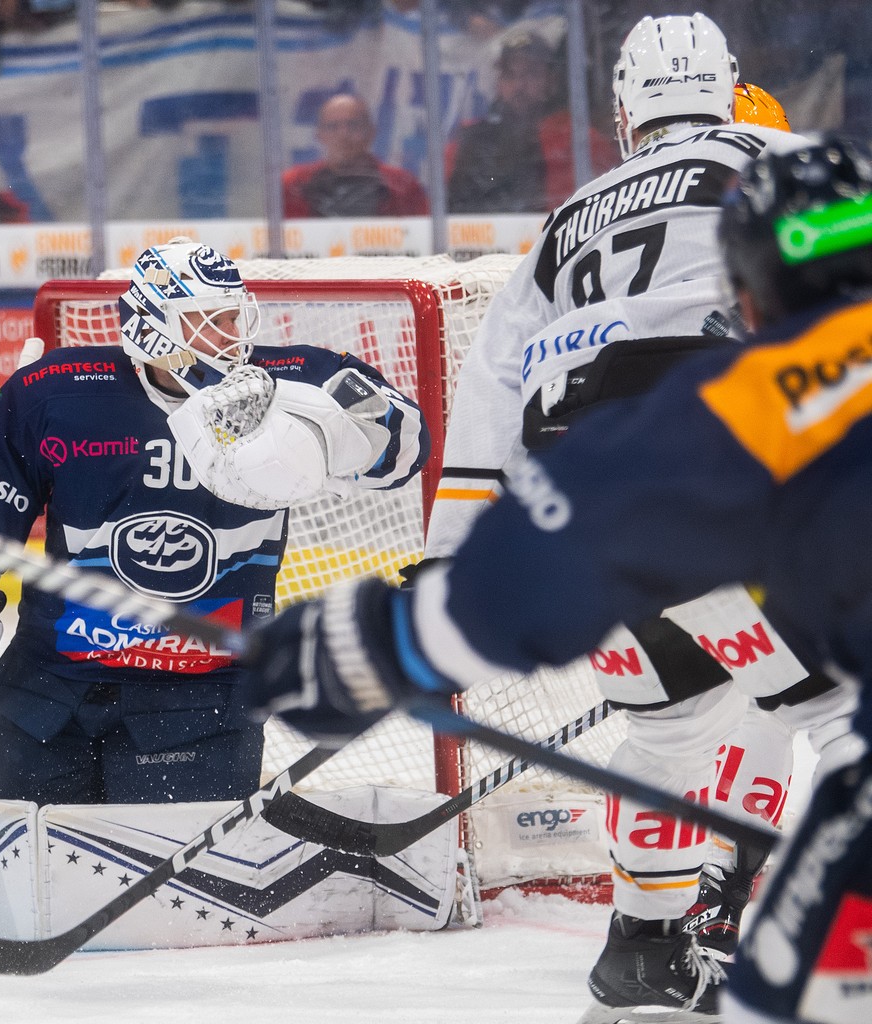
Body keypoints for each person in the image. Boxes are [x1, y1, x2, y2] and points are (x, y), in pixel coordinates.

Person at [242, 132, 872, 1024]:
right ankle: (648, 948)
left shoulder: (777, 393)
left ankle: (649, 943)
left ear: (750, 294)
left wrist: (386, 640)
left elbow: (582, 528)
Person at [417, 13, 853, 1022]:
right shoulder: (779, 155)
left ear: (625, 112)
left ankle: (643, 952)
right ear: (730, 89)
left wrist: (448, 556)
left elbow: (488, 389)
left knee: (676, 719)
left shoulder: (568, 215)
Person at [0, 236, 427, 807]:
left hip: (203, 701)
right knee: (30, 890)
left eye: (234, 317)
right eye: (209, 320)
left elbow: (406, 447)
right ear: (154, 327)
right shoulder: (55, 393)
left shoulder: (295, 379)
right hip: (49, 693)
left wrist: (313, 426)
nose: (233, 338)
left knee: (177, 903)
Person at [446, 29, 619, 213]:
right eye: (510, 74)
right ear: (499, 82)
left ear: (551, 80)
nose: (519, 85)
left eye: (531, 73)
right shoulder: (471, 139)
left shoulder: (580, 140)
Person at [282, 93, 429, 218]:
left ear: (371, 132)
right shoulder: (294, 184)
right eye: (332, 127)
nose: (343, 135)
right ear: (319, 135)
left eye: (353, 125)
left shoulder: (402, 186)